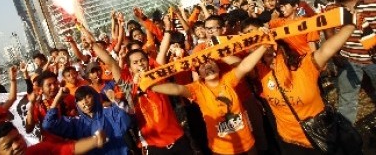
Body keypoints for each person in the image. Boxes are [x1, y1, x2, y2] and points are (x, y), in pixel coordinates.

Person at [241, 15, 357, 154]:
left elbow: (327, 49)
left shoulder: (305, 65)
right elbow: (240, 66)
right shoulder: (261, 71)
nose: (269, 58)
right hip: (289, 140)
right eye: (264, 56)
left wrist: (350, 24)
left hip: (322, 135)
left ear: (282, 49)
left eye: (272, 53)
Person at [80, 25, 193, 154]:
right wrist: (93, 44)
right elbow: (111, 62)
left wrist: (167, 28)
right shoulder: (128, 85)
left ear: (148, 62)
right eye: (135, 62)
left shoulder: (157, 75)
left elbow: (162, 51)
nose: (140, 64)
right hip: (153, 144)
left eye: (142, 60)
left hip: (178, 138)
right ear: (129, 68)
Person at [151, 45, 269, 154]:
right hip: (221, 149)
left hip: (247, 144)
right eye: (202, 66)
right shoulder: (197, 89)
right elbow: (177, 89)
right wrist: (150, 85)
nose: (207, 67)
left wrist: (264, 45)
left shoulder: (228, 80)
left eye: (210, 62)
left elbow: (244, 66)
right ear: (199, 74)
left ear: (218, 66)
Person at [325, 0, 376, 124]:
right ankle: (348, 137)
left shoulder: (372, 1)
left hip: (374, 59)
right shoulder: (331, 9)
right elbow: (328, 31)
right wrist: (335, 54)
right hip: (348, 60)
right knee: (347, 100)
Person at [42, 85, 131, 155]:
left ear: (95, 96)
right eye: (80, 100)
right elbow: (48, 125)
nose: (84, 102)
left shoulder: (112, 112)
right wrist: (58, 98)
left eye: (88, 97)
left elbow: (127, 122)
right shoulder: (77, 124)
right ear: (76, 104)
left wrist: (115, 102)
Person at [0, 121, 106, 155]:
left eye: (17, 138)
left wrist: (95, 140)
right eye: (8, 146)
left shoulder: (38, 150)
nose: (17, 145)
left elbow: (67, 149)